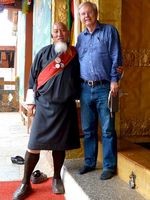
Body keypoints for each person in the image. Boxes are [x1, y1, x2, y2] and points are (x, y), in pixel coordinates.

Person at [13, 22, 80, 200]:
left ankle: (57, 177)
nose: (59, 33)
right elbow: (32, 78)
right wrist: (30, 102)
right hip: (44, 106)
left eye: (63, 30)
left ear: (68, 33)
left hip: (65, 107)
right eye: (56, 31)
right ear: (52, 35)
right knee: (33, 145)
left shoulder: (74, 54)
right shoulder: (43, 52)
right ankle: (25, 183)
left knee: (60, 145)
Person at [76, 1, 123, 180]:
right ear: (80, 18)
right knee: (88, 129)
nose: (86, 16)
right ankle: (89, 162)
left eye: (89, 12)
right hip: (85, 88)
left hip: (105, 87)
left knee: (108, 129)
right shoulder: (80, 38)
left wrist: (114, 80)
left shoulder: (109, 31)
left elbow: (116, 56)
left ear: (96, 13)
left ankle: (109, 166)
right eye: (82, 14)